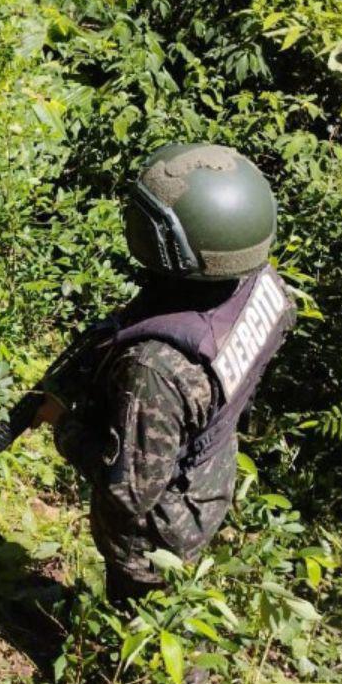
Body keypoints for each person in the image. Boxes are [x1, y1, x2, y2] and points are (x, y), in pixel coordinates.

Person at [34, 143, 296, 605]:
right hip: (210, 472)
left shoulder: (154, 367)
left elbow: (129, 494)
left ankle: (131, 671)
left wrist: (63, 425)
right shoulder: (261, 285)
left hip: (160, 531)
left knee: (143, 623)